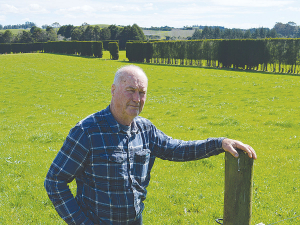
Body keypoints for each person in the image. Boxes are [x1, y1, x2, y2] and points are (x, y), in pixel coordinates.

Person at [45, 65, 257, 225]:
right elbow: (55, 181)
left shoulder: (145, 130)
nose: (137, 98)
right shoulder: (87, 131)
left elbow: (178, 149)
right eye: (130, 90)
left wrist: (219, 143)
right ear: (113, 90)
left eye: (142, 92)